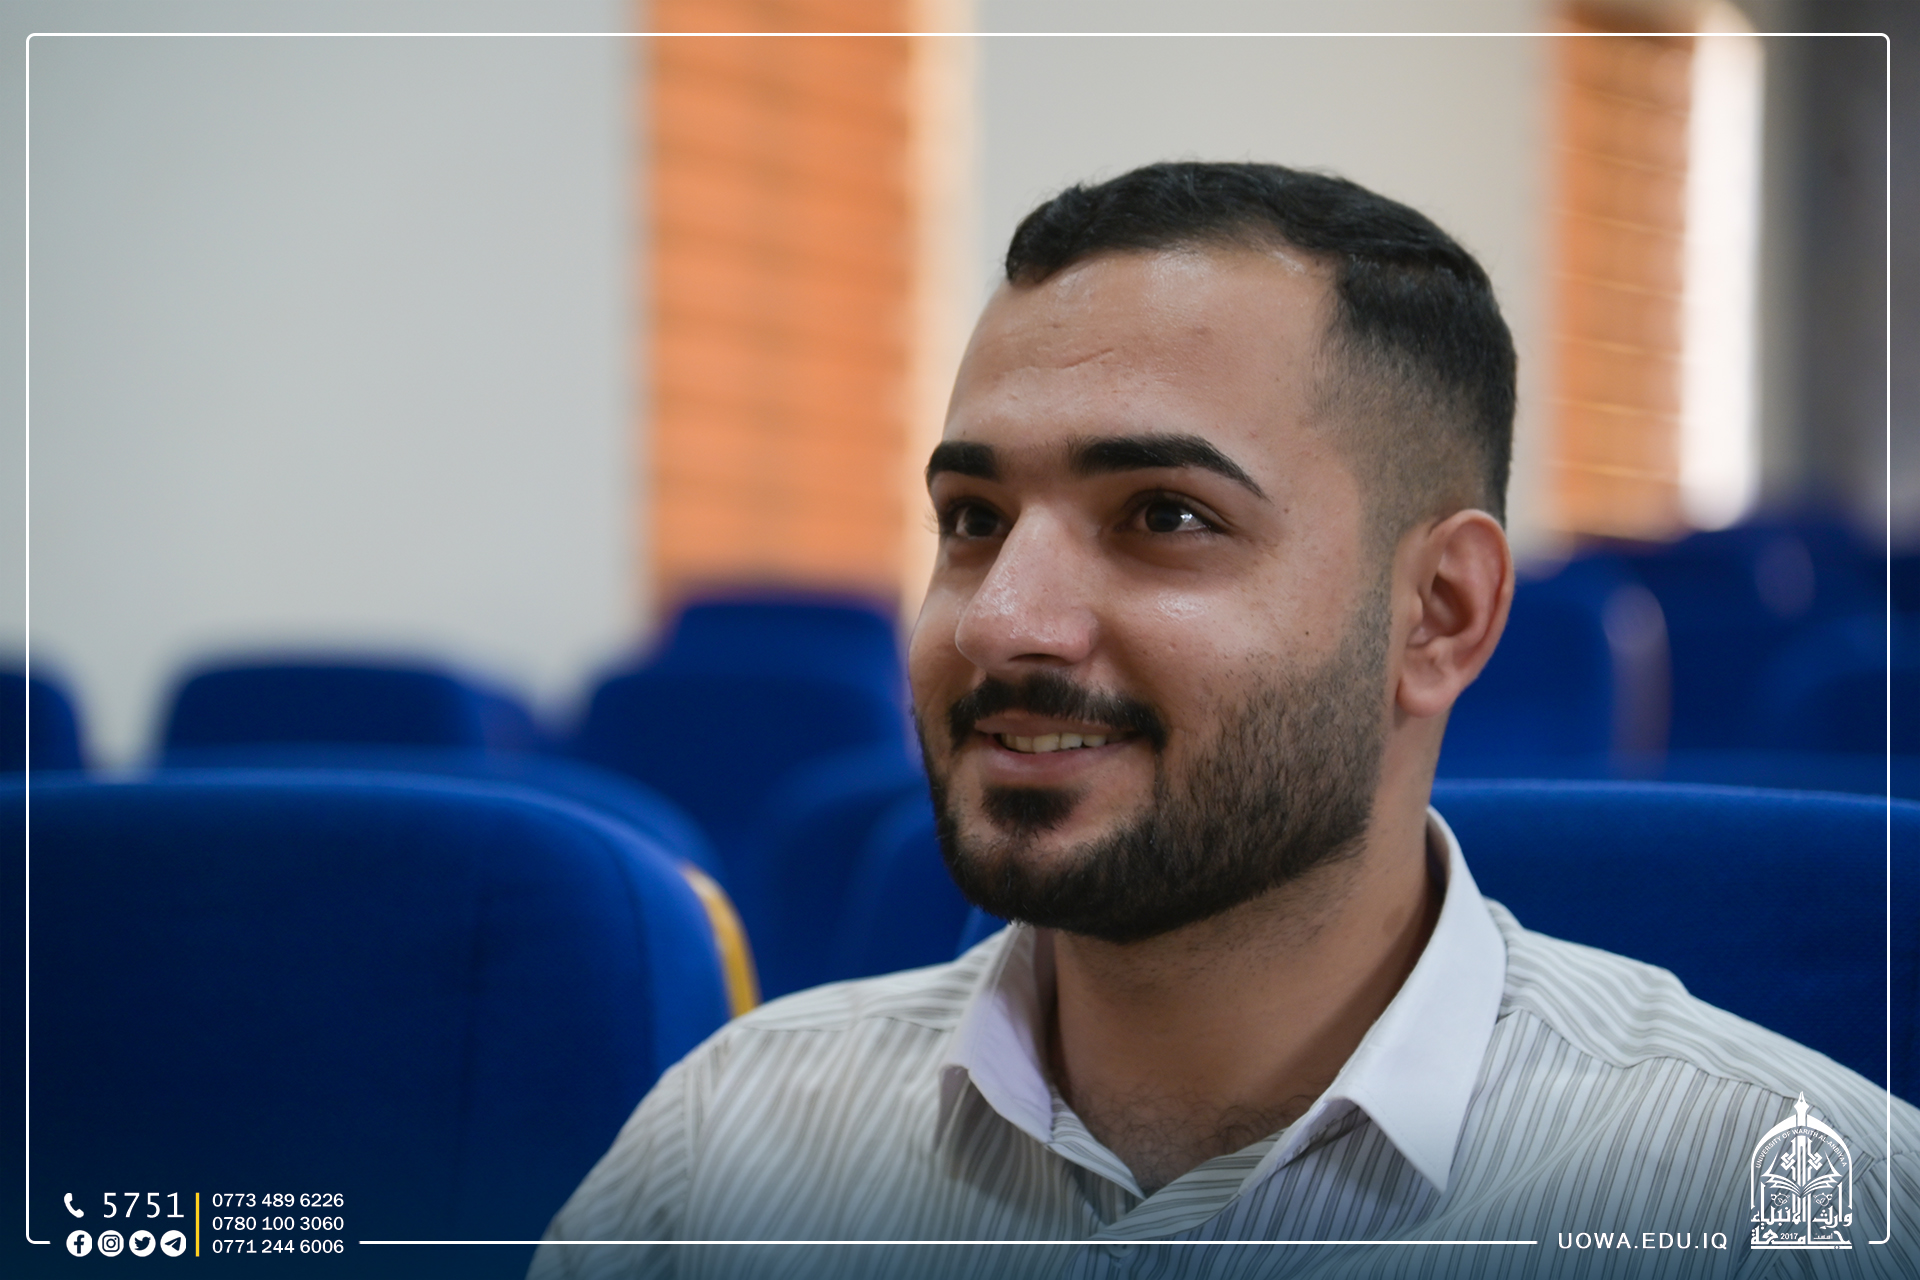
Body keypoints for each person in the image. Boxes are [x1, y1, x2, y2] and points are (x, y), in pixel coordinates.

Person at [530, 162, 1916, 1279]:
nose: (1003, 620)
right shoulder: (722, 1149)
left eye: (1165, 516)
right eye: (974, 519)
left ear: (1438, 614)